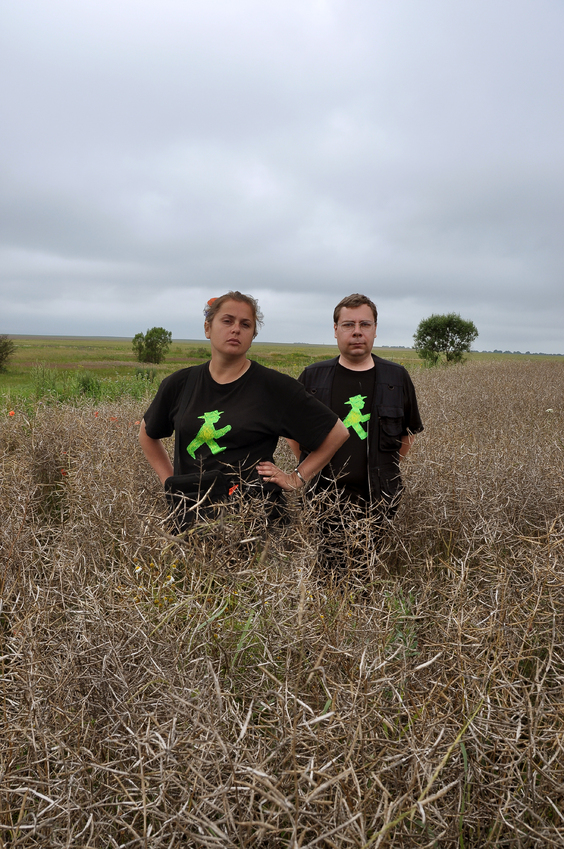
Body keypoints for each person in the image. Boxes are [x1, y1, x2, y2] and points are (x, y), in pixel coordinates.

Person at [139, 291, 349, 528]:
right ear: (208, 328)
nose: (236, 329)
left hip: (256, 523)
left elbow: (337, 432)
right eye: (227, 321)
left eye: (245, 324)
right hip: (192, 519)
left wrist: (295, 478)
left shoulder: (273, 387)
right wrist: (171, 483)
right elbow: (148, 433)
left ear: (252, 336)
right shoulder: (180, 384)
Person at [286, 294, 423, 571]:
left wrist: (384, 469)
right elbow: (292, 433)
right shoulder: (312, 377)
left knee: (367, 572)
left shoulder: (397, 378)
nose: (357, 332)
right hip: (323, 497)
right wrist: (311, 466)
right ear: (335, 330)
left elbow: (407, 434)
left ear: (375, 330)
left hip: (379, 499)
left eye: (365, 324)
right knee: (325, 572)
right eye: (348, 325)